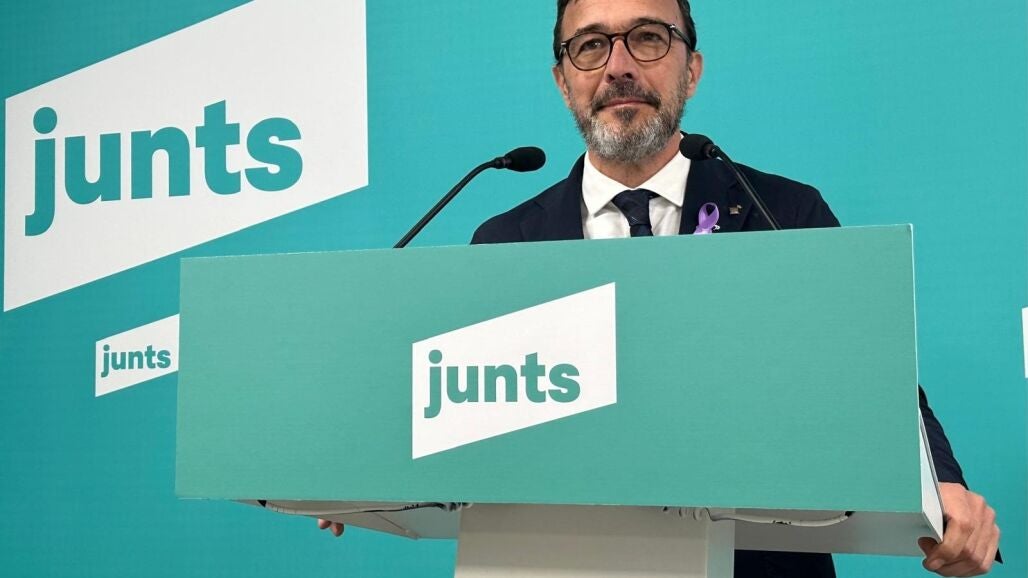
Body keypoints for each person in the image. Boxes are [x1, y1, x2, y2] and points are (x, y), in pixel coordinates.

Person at [322, 1, 1001, 576]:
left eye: (647, 38)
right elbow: (465, 403)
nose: (619, 65)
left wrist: (942, 485)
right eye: (591, 46)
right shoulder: (504, 242)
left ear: (692, 69)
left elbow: (871, 376)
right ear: (563, 81)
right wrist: (355, 456)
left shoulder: (783, 214)